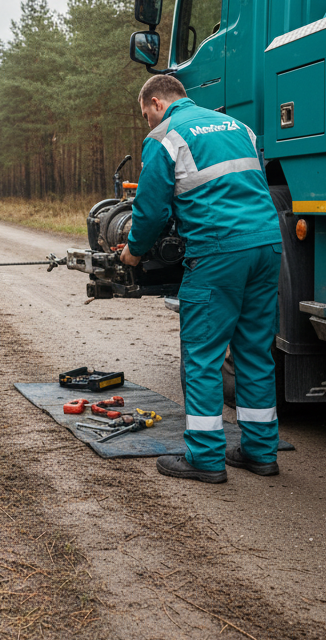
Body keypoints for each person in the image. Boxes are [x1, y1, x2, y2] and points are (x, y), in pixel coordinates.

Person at [119, 75, 282, 483]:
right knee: (255, 352)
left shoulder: (165, 136)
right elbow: (245, 185)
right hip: (267, 246)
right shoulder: (238, 126)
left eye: (145, 115)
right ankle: (261, 453)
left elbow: (152, 211)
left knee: (204, 357)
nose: (147, 123)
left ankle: (205, 459)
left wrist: (133, 253)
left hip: (218, 251)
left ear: (156, 102)